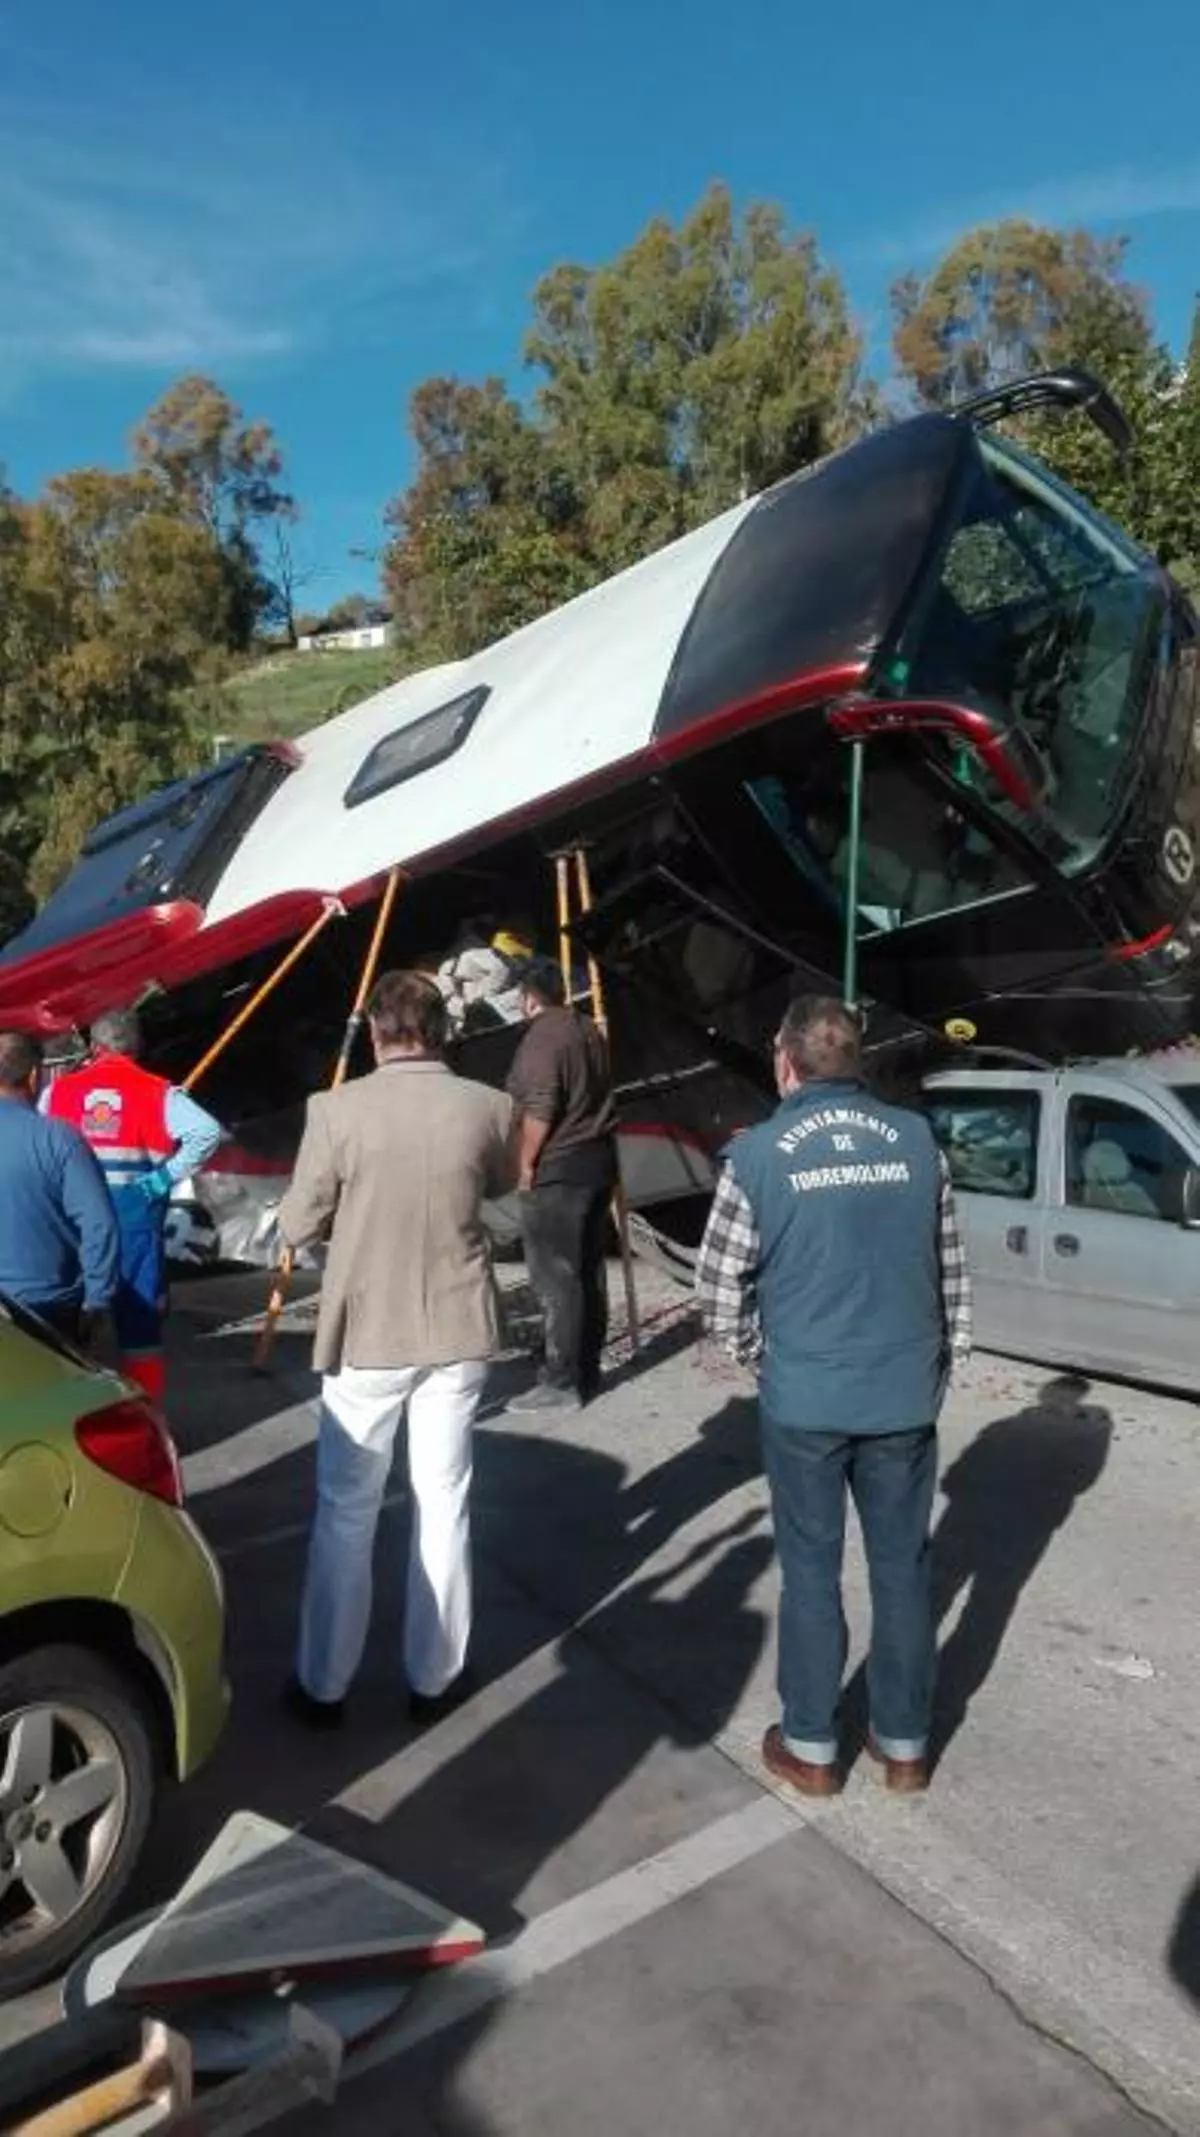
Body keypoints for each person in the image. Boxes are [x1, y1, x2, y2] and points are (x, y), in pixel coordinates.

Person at [694, 995, 971, 1797]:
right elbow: (950, 1268)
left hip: (806, 1395)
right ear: (857, 1060)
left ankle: (812, 1743)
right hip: (902, 1394)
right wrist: (939, 1364)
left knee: (811, 1567)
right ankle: (905, 1743)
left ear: (785, 1061)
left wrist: (763, 1357)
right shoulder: (917, 1140)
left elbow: (718, 1289)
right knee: (903, 1567)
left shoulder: (757, 1154)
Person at [279, 970, 514, 1729]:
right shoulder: (488, 1106)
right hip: (457, 1324)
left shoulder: (335, 1109)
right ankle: (435, 1678)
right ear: (442, 1032)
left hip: (369, 1331)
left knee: (346, 1511)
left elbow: (295, 1225)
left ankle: (324, 1685)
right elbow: (502, 1189)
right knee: (444, 1503)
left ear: (377, 1033)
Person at [43, 1008, 222, 1400]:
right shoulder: (158, 1092)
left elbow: (39, 1144)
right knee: (139, 1326)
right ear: (137, 1047)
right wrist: (161, 1179)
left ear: (95, 1047)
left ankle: (73, 1409)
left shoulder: (58, 1092)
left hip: (74, 1217)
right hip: (133, 1214)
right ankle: (148, 1414)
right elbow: (207, 1131)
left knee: (71, 1320)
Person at [505, 956, 617, 1415]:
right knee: (587, 1271)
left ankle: (561, 1380)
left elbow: (540, 1106)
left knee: (555, 1278)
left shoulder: (543, 1037)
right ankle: (584, 1368)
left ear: (529, 997)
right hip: (597, 1160)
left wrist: (525, 1163)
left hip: (558, 1166)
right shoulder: (586, 1028)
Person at [0, 1030, 120, 1341]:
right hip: (46, 1306)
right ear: (33, 1077)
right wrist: (97, 1298)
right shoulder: (60, 1139)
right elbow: (99, 1224)